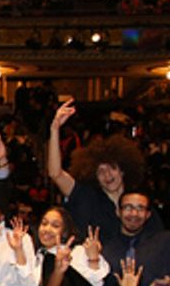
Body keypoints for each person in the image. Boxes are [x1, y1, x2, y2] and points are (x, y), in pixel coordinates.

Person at [47, 99, 157, 237]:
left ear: (122, 170)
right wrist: (55, 128)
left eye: (112, 168)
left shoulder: (139, 201)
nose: (107, 175)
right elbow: (55, 173)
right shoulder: (86, 196)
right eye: (100, 171)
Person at [32, 207, 108, 286]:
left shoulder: (77, 252)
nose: (47, 229)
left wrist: (93, 259)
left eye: (55, 226)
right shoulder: (37, 255)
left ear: (65, 231)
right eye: (44, 223)